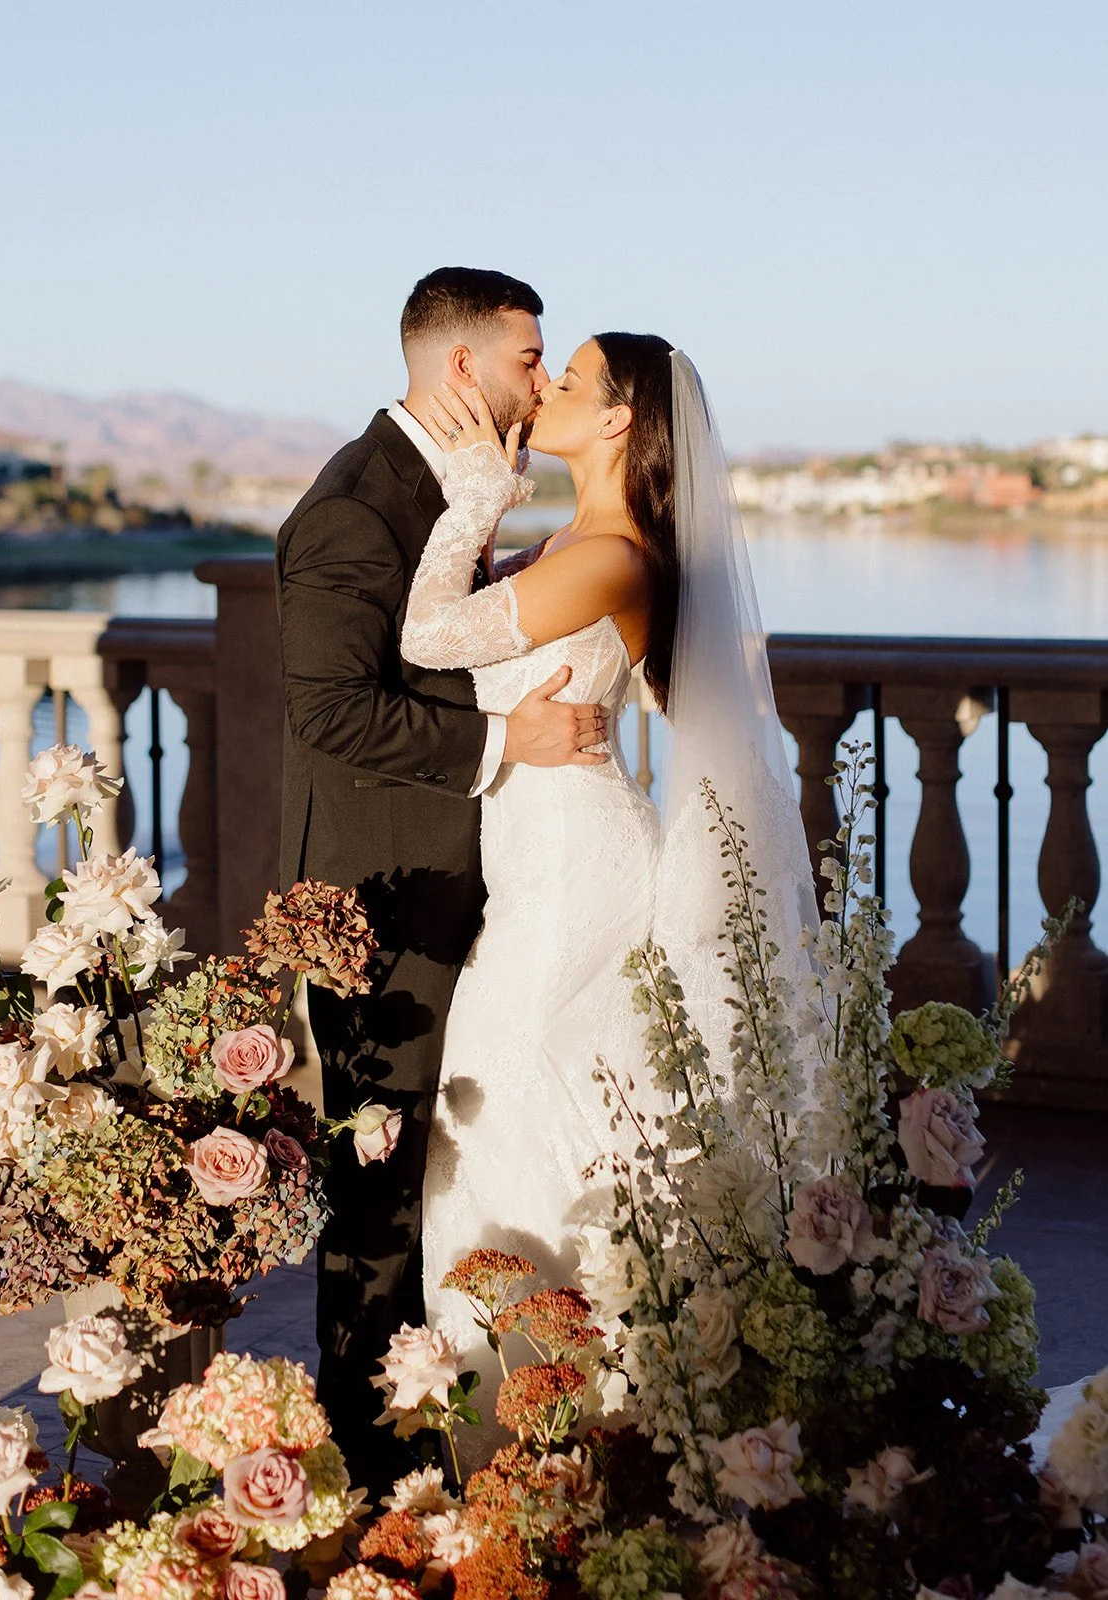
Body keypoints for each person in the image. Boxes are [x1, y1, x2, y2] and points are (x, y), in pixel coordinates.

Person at [400, 333, 818, 1457]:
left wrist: (477, 491)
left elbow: (428, 633)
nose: (548, 392)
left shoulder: (614, 555)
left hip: (575, 863)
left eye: (571, 381)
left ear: (625, 419)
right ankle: (529, 1421)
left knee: (498, 1103)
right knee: (506, 1104)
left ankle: (553, 1422)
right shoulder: (575, 541)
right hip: (534, 855)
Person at [275, 268, 610, 1485]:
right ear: (463, 367)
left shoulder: (439, 490)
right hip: (379, 903)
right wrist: (499, 745)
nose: (543, 376)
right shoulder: (356, 509)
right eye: (529, 359)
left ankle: (438, 1437)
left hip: (461, 887)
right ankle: (366, 1470)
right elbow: (327, 714)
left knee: (434, 1169)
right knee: (379, 1189)